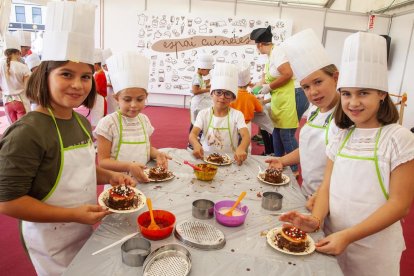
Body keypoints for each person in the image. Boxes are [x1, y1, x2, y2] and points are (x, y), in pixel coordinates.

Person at [0, 2, 134, 275]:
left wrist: (109, 177)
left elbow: (80, 168)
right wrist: (72, 215)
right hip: (51, 238)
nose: (78, 85)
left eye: (85, 76)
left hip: (82, 224)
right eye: (66, 74)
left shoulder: (81, 123)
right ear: (44, 75)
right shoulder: (28, 132)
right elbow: (8, 201)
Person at [280, 32, 414, 276]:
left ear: (382, 94)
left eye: (364, 93)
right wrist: (316, 219)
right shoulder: (342, 133)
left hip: (374, 249)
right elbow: (327, 187)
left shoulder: (398, 137)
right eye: (347, 94)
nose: (353, 103)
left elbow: (400, 204)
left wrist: (349, 235)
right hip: (332, 236)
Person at [265, 29, 340, 209]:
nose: (313, 92)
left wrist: (322, 197)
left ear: (335, 77)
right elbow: (308, 149)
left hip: (332, 200)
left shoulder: (345, 118)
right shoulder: (314, 111)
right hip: (308, 194)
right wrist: (282, 161)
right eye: (306, 87)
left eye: (318, 82)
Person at [95, 51, 171, 184]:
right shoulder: (107, 123)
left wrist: (157, 154)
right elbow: (103, 162)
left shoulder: (144, 120)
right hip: (119, 183)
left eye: (140, 99)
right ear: (116, 98)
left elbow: (148, 149)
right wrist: (129, 166)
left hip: (144, 179)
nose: (134, 105)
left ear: (146, 97)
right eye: (127, 99)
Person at [250, 26, 299, 172]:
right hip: (280, 98)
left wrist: (268, 87)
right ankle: (278, 162)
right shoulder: (270, 56)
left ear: (259, 44)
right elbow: (264, 80)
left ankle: (294, 170)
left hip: (291, 96)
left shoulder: (278, 52)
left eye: (256, 46)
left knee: (286, 134)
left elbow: (287, 74)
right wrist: (254, 88)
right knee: (276, 131)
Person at [189, 63, 250, 165]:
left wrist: (242, 148)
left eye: (227, 94)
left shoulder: (237, 115)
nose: (222, 97)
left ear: (232, 97)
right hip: (206, 158)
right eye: (218, 92)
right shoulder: (203, 114)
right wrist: (196, 145)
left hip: (230, 159)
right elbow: (193, 134)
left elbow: (246, 135)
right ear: (212, 94)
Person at [230, 62, 263, 150]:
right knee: (245, 145)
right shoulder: (251, 97)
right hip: (246, 124)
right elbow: (260, 109)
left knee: (232, 144)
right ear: (249, 83)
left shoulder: (231, 95)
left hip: (232, 123)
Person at [0, 33, 31, 123]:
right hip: (21, 100)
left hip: (6, 102)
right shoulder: (23, 67)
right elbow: (27, 87)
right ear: (18, 53)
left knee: (12, 126)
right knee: (23, 127)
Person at [189, 53, 214, 130]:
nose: (209, 72)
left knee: (197, 121)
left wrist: (210, 86)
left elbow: (201, 87)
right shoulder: (197, 78)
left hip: (199, 103)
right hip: (197, 105)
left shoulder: (200, 77)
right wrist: (208, 89)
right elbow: (195, 91)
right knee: (195, 123)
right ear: (203, 69)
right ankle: (191, 140)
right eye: (208, 70)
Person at [90, 48, 107, 128]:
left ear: (96, 64)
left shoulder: (99, 74)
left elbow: (98, 89)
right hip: (98, 98)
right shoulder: (99, 73)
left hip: (99, 99)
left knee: (97, 119)